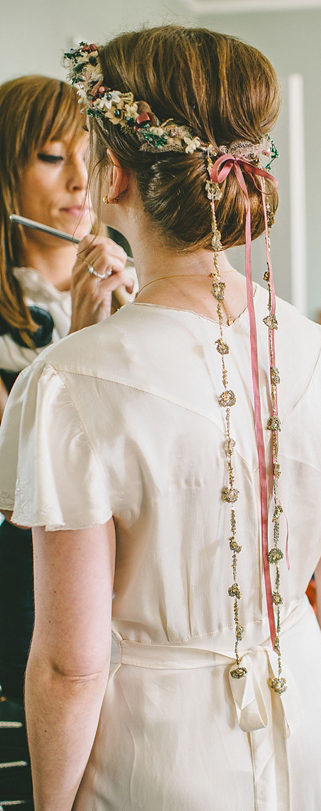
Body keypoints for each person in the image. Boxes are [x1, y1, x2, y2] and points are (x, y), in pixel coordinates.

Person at [0, 27, 321, 811]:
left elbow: (72, 662)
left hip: (151, 767)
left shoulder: (69, 382)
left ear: (118, 175)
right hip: (304, 739)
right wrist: (306, 731)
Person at [0, 75, 134, 706]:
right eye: (54, 158)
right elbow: (22, 487)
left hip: (129, 597)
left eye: (91, 157)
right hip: (30, 604)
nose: (83, 182)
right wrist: (82, 340)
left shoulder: (134, 281)